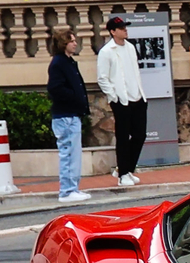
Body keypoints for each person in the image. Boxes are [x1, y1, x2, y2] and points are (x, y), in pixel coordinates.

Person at [96, 14, 145, 188]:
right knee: (123, 137)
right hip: (121, 100)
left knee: (140, 135)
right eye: (121, 28)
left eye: (125, 27)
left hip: (137, 97)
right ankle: (123, 174)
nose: (125, 30)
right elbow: (102, 78)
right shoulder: (106, 52)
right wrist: (113, 96)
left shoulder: (130, 48)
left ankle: (126, 168)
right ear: (112, 31)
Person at [47, 28, 93, 203]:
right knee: (68, 152)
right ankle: (66, 190)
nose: (75, 43)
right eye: (71, 41)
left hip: (72, 114)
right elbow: (55, 88)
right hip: (65, 115)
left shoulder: (69, 62)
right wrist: (74, 98)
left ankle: (73, 187)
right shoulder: (58, 63)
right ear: (63, 44)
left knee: (74, 153)